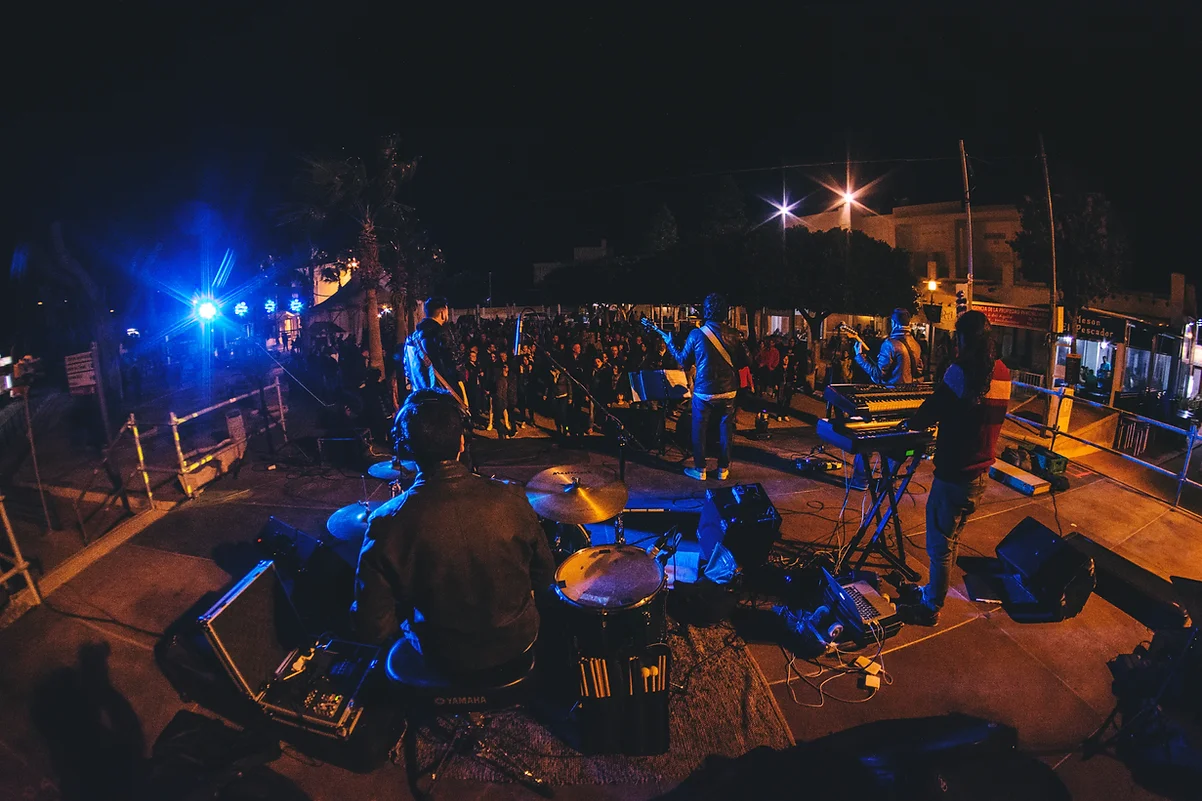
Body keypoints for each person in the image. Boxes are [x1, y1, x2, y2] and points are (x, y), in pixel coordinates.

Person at [353, 389, 557, 673]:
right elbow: (545, 576)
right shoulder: (512, 497)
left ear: (406, 449)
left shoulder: (385, 522)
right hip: (515, 640)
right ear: (462, 441)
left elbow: (373, 627)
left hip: (440, 652)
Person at [896, 311, 1011, 626]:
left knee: (939, 546)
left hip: (954, 474)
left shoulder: (962, 371)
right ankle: (932, 592)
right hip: (979, 476)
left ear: (964, 338)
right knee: (951, 541)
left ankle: (930, 607)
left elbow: (932, 409)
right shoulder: (1003, 372)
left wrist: (907, 424)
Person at [657, 292, 752, 481]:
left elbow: (683, 361)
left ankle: (700, 469)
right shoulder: (734, 335)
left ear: (706, 311)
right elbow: (747, 361)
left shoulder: (696, 334)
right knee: (726, 430)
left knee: (699, 430)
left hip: (704, 391)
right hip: (728, 390)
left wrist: (670, 344)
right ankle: (723, 469)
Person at [849, 308, 925, 490]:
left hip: (887, 399)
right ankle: (887, 481)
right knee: (895, 442)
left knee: (869, 436)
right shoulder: (916, 344)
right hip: (907, 401)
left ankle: (861, 480)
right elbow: (919, 371)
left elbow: (878, 375)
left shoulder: (890, 344)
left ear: (893, 323)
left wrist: (859, 357)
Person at [403, 297, 465, 403]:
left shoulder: (412, 338)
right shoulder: (441, 333)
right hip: (442, 395)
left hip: (419, 394)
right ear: (442, 313)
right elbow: (454, 363)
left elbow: (407, 368)